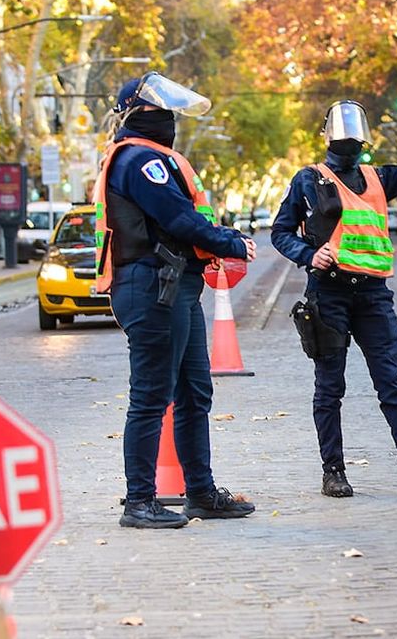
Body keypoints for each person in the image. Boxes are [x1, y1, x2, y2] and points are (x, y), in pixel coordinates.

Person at [272, 78, 397, 497]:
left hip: (374, 296)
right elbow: (280, 232)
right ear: (326, 136)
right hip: (329, 294)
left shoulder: (378, 178)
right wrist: (308, 255)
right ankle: (333, 472)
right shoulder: (308, 180)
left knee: (391, 383)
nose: (348, 140)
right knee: (330, 388)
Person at [94, 72, 258, 528]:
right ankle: (139, 502)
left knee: (194, 393)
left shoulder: (153, 159)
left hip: (176, 285)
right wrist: (229, 241)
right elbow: (179, 219)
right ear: (136, 114)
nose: (168, 120)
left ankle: (201, 494)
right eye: (159, 111)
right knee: (150, 397)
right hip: (152, 287)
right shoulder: (139, 161)